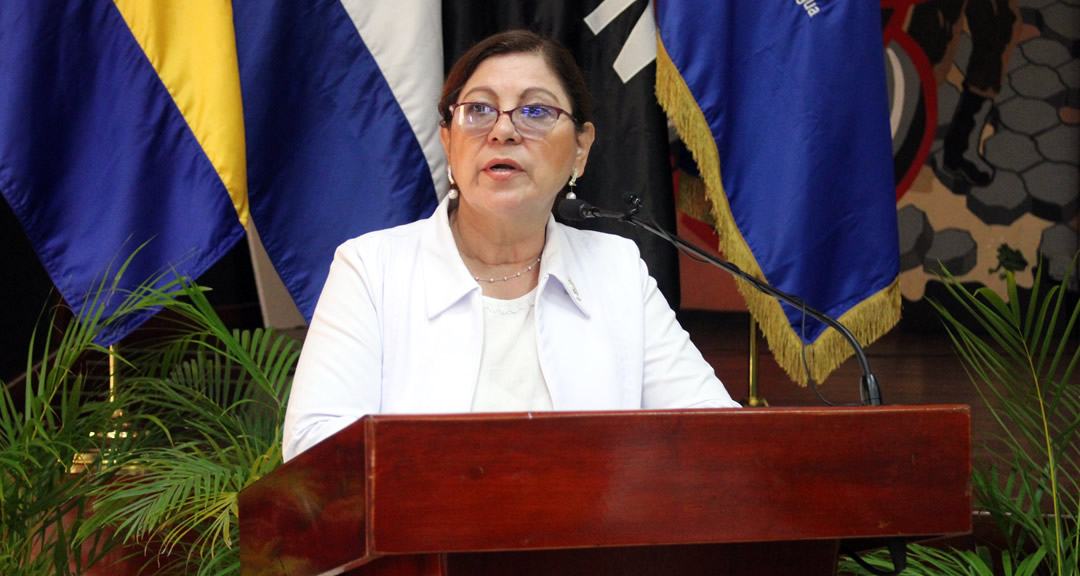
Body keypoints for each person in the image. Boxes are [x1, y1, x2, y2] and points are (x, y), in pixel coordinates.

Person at [282, 30, 738, 462]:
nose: (502, 132)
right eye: (478, 110)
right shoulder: (371, 269)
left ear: (581, 148)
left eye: (536, 112)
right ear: (448, 140)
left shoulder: (615, 270)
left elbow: (716, 437)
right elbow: (315, 450)